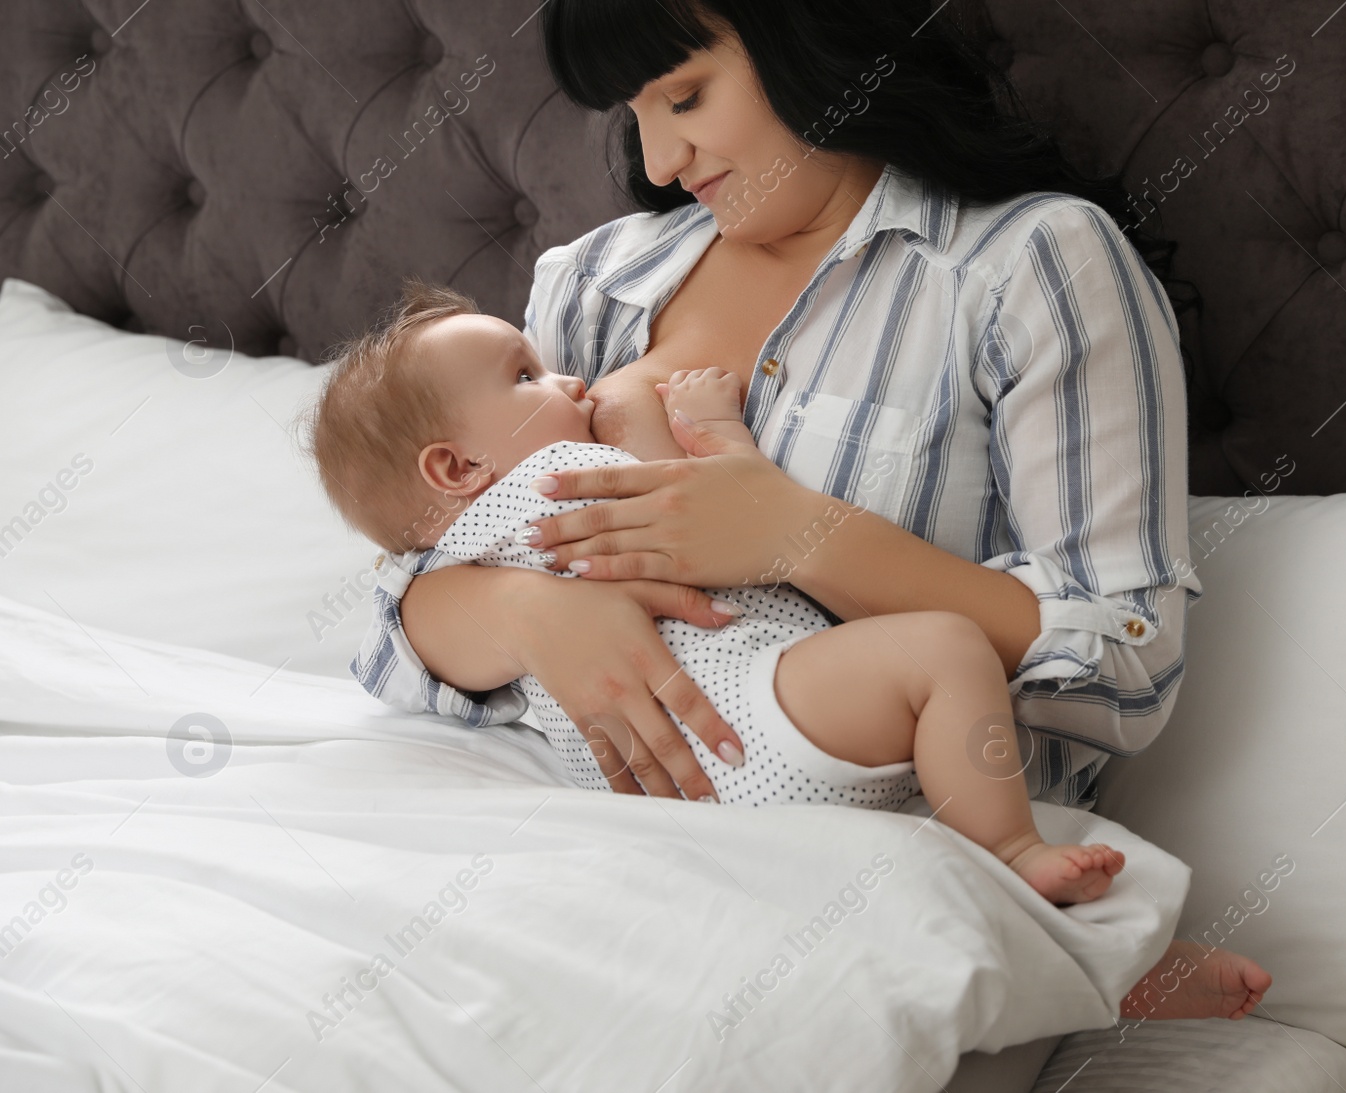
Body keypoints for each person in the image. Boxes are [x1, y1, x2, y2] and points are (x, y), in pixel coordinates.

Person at [350, 0, 1267, 1020]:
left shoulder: (1027, 268)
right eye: (635, 114)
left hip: (899, 858)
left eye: (686, 95)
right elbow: (409, 596)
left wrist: (798, 535)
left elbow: (1126, 662)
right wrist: (532, 615)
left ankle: (1069, 947)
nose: (658, 161)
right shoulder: (593, 287)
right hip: (617, 835)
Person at [309, 281, 1129, 905]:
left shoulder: (466, 556)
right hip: (750, 718)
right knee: (947, 648)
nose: (568, 378)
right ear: (458, 469)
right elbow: (704, 492)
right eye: (526, 376)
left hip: (670, 780)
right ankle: (1014, 853)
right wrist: (673, 411)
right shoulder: (551, 494)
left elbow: (392, 645)